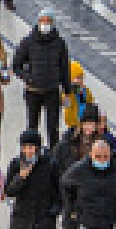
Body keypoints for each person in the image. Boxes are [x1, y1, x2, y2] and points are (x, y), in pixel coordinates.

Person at [14, 9, 72, 147]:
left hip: (52, 91)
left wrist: (67, 91)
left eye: (48, 21)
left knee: (53, 128)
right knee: (32, 126)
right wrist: (29, 78)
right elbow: (16, 65)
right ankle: (31, 152)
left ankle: (53, 156)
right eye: (42, 21)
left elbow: (64, 68)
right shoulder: (28, 42)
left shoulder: (59, 43)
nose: (45, 24)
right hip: (33, 91)